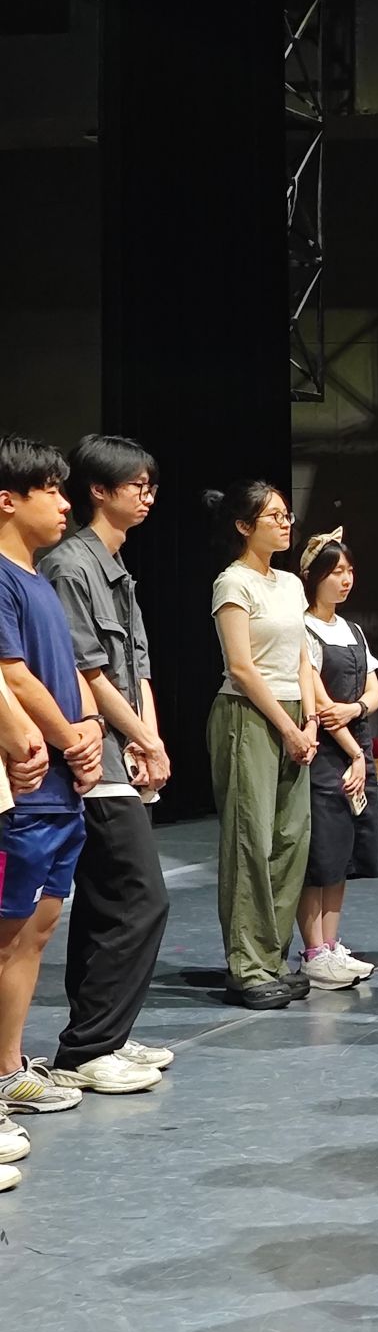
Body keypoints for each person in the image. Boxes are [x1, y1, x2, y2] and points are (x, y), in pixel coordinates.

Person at [38, 435, 176, 1093]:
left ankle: (101, 1036)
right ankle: (89, 1047)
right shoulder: (70, 565)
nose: (147, 496)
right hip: (91, 758)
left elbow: (136, 665)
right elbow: (87, 671)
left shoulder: (117, 567)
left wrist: (150, 739)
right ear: (100, 490)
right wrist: (140, 739)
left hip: (124, 749)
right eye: (136, 485)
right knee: (139, 899)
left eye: (151, 486)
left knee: (105, 903)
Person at [206, 480, 322, 1009]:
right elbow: (241, 668)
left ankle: (273, 957)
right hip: (248, 716)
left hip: (295, 715)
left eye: (286, 514)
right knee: (249, 840)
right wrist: (287, 727)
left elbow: (300, 658)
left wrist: (310, 721)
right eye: (273, 516)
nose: (285, 522)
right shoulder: (233, 583)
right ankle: (247, 965)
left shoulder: (291, 585)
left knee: (291, 839)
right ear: (243, 526)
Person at [0, 436, 86, 1126]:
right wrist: (67, 738)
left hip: (60, 792)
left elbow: (64, 672)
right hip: (26, 794)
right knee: (8, 933)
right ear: (8, 500)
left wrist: (85, 736)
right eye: (50, 491)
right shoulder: (1, 577)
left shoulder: (39, 580)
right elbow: (14, 675)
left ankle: (10, 1065)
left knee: (38, 930)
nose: (63, 503)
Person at [296, 528, 378, 983]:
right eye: (335, 572)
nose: (345, 579)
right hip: (326, 755)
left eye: (349, 571)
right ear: (314, 577)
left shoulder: (353, 629)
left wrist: (358, 709)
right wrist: (353, 754)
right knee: (320, 855)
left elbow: (374, 691)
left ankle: (332, 944)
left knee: (345, 852)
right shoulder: (303, 629)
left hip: (356, 748)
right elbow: (322, 705)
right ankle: (313, 951)